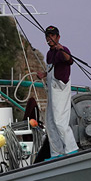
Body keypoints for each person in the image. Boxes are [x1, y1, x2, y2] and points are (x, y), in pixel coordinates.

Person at [36, 26, 78, 157]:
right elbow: (52, 68)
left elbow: (69, 60)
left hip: (60, 88)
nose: (50, 39)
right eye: (48, 36)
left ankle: (71, 149)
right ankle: (57, 152)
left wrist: (62, 49)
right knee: (50, 121)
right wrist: (43, 74)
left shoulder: (62, 50)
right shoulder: (49, 53)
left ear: (58, 37)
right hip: (52, 89)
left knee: (60, 120)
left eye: (52, 36)